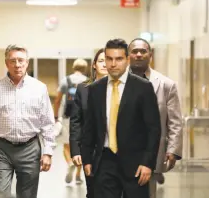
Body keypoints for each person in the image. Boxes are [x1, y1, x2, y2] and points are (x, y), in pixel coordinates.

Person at [81, 38, 161, 198]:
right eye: (109, 58)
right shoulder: (96, 89)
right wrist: (87, 159)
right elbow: (89, 127)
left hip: (136, 163)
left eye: (118, 59)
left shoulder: (143, 87)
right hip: (104, 160)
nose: (113, 64)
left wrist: (147, 163)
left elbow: (153, 129)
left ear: (127, 60)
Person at [0, 44, 56, 198]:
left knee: (27, 195)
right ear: (7, 63)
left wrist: (48, 152)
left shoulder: (39, 88)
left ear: (27, 63)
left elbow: (48, 123)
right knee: (1, 193)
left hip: (30, 149)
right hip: (2, 149)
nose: (17, 65)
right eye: (13, 61)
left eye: (21, 60)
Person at [128, 38, 183, 198]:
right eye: (134, 51)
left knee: (147, 193)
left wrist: (173, 149)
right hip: (121, 149)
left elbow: (175, 121)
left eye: (143, 51)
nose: (139, 54)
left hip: (151, 149)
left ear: (150, 55)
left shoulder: (166, 85)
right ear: (128, 55)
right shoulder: (118, 82)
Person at [70, 48, 107, 198]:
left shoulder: (123, 88)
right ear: (94, 65)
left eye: (108, 60)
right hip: (91, 151)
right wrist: (75, 150)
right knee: (93, 191)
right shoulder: (83, 89)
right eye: (101, 60)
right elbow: (76, 121)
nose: (105, 64)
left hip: (116, 151)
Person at [53, 58, 88, 184]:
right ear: (85, 69)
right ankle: (78, 176)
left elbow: (57, 100)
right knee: (80, 147)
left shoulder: (65, 80)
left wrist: (56, 116)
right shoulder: (88, 81)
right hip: (84, 118)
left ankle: (69, 163)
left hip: (68, 116)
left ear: (74, 67)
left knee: (67, 145)